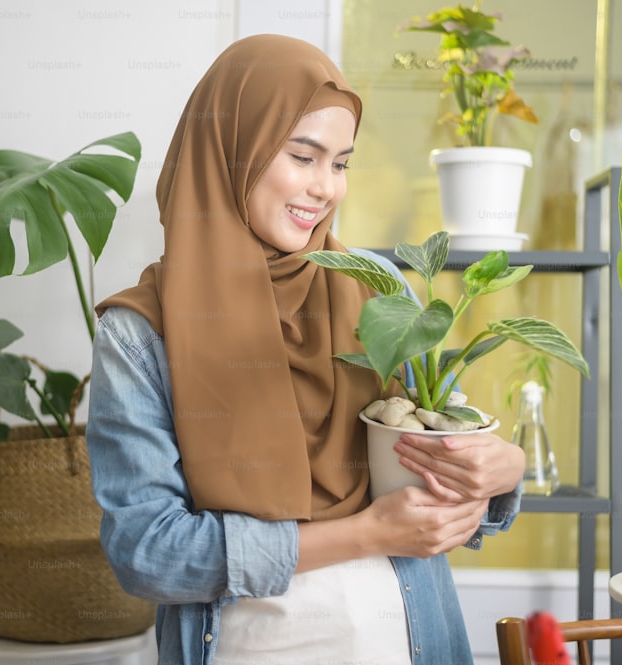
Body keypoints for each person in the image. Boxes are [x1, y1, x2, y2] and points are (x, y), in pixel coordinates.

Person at [85, 34, 525, 665]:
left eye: (341, 164)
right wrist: (364, 534)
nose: (325, 188)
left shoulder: (374, 286)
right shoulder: (139, 334)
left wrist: (502, 470)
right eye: (303, 156)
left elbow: (437, 449)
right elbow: (147, 553)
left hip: (408, 641)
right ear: (231, 151)